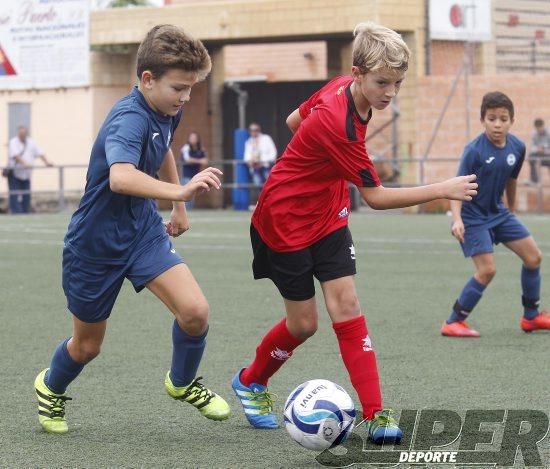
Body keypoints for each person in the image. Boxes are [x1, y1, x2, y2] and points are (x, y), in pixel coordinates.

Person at [231, 22, 477, 445]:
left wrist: (323, 169)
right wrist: (444, 188)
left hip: (329, 215)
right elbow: (377, 198)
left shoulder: (346, 86)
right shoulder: (338, 123)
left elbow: (294, 120)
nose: (390, 93)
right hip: (284, 221)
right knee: (304, 325)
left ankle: (376, 414)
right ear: (358, 72)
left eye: (398, 84)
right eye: (383, 83)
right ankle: (250, 381)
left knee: (346, 303)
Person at [34, 24, 230, 435]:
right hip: (94, 245)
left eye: (191, 88)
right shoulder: (128, 118)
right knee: (87, 347)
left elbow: (164, 149)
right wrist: (182, 190)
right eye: (179, 87)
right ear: (147, 79)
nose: (186, 97)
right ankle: (50, 386)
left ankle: (181, 383)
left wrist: (178, 206)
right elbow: (121, 177)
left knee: (195, 313)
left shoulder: (165, 110)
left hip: (142, 232)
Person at [442, 92, 549, 338]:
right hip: (472, 217)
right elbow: (456, 186)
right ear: (483, 120)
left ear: (512, 121)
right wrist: (456, 219)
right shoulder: (474, 151)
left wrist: (511, 209)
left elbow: (511, 179)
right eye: (492, 119)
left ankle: (531, 317)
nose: (497, 124)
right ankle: (453, 321)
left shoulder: (518, 147)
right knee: (487, 270)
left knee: (533, 257)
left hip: (499, 214)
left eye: (503, 119)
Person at [7, 126, 53, 214]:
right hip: (14, 174)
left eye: (24, 133)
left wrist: (47, 162)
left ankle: (25, 213)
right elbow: (16, 156)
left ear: (26, 133)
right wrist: (24, 163)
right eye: (20, 134)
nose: (22, 135)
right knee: (14, 195)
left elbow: (40, 153)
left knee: (26, 195)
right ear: (18, 134)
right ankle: (15, 214)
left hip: (26, 175)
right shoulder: (13, 142)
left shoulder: (31, 143)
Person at [180, 131, 209, 208]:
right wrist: (199, 160)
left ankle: (189, 212)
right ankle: (186, 212)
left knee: (192, 195)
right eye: (191, 138)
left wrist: (197, 160)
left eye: (195, 138)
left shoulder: (201, 149)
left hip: (196, 176)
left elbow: (205, 161)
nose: (193, 139)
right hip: (186, 176)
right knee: (187, 195)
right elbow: (187, 160)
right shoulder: (186, 148)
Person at [528, 118, 550, 184]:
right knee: (531, 157)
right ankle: (534, 180)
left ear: (543, 126)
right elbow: (531, 147)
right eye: (537, 129)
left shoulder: (549, 133)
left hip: (548, 155)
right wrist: (537, 149)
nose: (539, 130)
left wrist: (544, 149)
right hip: (538, 155)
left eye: (540, 128)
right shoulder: (534, 134)